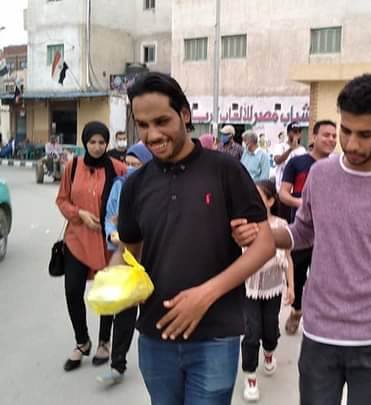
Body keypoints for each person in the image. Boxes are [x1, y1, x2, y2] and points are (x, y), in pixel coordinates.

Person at [233, 74, 371, 404]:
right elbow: (302, 233)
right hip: (319, 336)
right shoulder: (321, 175)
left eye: (365, 134)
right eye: (346, 131)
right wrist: (262, 233)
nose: (351, 144)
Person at [113, 72, 275, 404]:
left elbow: (265, 244)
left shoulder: (224, 170)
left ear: (185, 114)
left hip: (214, 337)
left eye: (162, 121)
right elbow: (128, 255)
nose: (152, 135)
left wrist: (205, 295)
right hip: (155, 336)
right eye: (143, 125)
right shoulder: (135, 185)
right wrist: (113, 280)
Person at [56, 121, 127, 372]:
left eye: (101, 142)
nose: (97, 147)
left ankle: (104, 342)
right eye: (92, 142)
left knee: (107, 292)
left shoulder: (118, 168)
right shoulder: (73, 167)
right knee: (72, 290)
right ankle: (82, 341)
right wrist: (80, 214)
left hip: (107, 242)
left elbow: (131, 196)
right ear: (85, 142)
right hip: (77, 238)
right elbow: (62, 200)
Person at [99, 143, 153, 385]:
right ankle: (117, 364)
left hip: (152, 258)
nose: (130, 168)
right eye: (128, 163)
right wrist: (113, 232)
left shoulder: (156, 188)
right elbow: (110, 217)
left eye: (136, 164)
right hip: (127, 257)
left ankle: (158, 360)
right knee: (124, 311)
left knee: (152, 312)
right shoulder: (119, 186)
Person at [278, 119, 337, 335]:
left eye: (334, 136)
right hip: (301, 230)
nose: (331, 139)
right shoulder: (297, 163)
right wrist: (302, 203)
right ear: (314, 136)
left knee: (325, 278)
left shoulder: (339, 166)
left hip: (328, 233)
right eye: (326, 135)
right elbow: (283, 193)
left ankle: (320, 320)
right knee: (298, 275)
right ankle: (297, 311)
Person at [241, 179, 295, 402]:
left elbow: (288, 259)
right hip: (249, 289)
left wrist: (291, 286)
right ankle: (251, 377)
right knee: (251, 333)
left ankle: (269, 352)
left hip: (273, 288)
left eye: (259, 197)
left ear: (271, 201)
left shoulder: (281, 226)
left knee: (270, 331)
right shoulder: (244, 226)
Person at [272, 122, 307, 192]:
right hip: (281, 188)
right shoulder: (280, 146)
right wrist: (290, 149)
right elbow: (277, 160)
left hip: (296, 189)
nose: (297, 134)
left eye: (299, 131)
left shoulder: (302, 150)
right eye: (294, 131)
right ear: (288, 133)